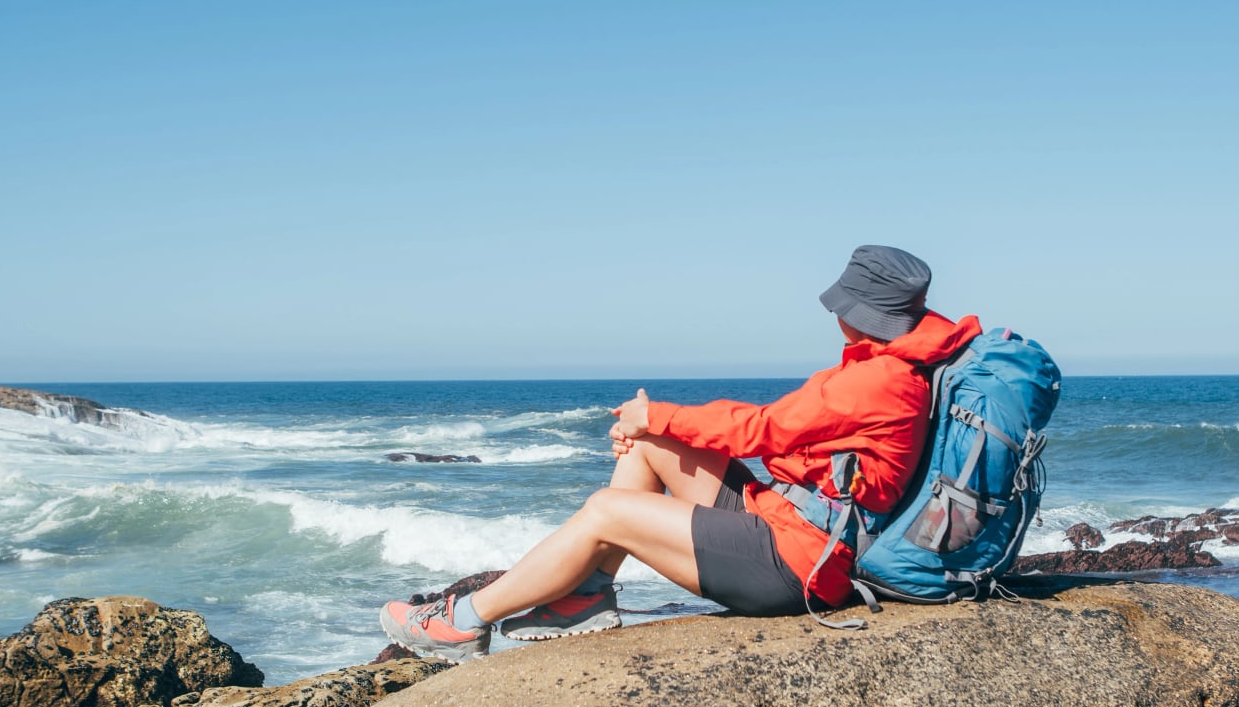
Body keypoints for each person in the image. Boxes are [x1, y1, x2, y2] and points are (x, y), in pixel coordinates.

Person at [377, 245, 983, 660]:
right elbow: (783, 439)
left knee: (606, 510)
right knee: (647, 445)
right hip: (796, 524)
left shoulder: (876, 381)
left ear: (859, 313)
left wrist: (655, 411)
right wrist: (651, 427)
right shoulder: (902, 364)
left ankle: (462, 623)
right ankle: (584, 598)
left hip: (799, 565)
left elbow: (761, 428)